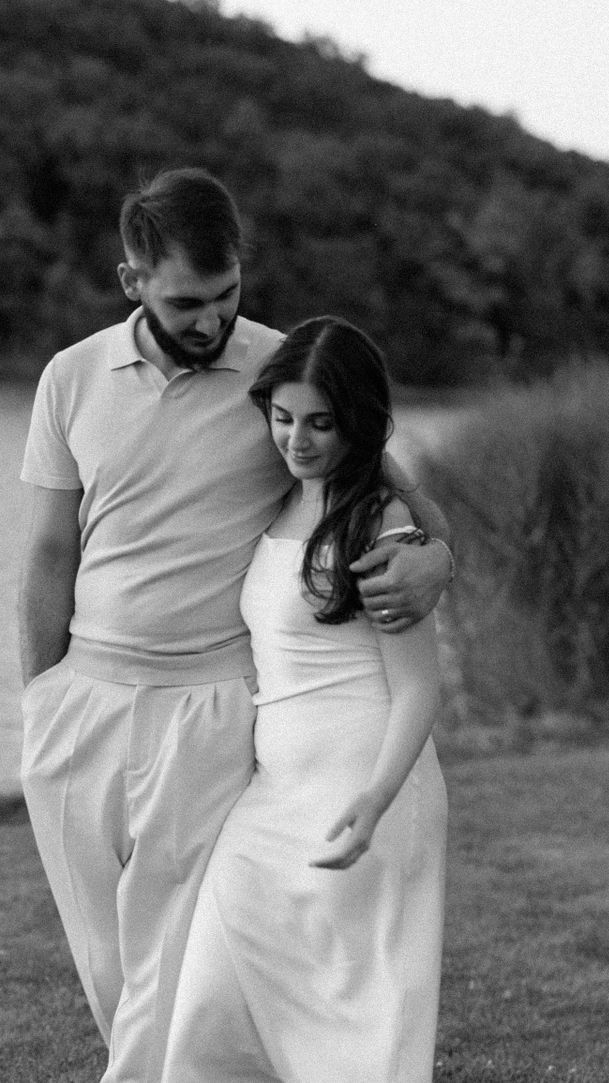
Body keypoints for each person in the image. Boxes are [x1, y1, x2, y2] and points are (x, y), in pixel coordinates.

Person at [17, 168, 454, 1082]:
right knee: (106, 960)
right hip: (80, 704)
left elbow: (391, 485)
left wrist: (437, 556)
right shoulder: (70, 378)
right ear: (132, 280)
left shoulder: (282, 369)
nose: (212, 318)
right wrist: (39, 698)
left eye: (227, 293)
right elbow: (50, 553)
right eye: (187, 301)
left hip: (210, 705)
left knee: (172, 964)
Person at [163, 315, 446, 1083]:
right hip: (273, 798)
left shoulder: (381, 524)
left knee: (356, 1026)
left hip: (366, 788)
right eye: (283, 418)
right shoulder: (281, 504)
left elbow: (419, 686)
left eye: (320, 423)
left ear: (357, 422)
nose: (296, 439)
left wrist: (376, 800)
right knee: (208, 1007)